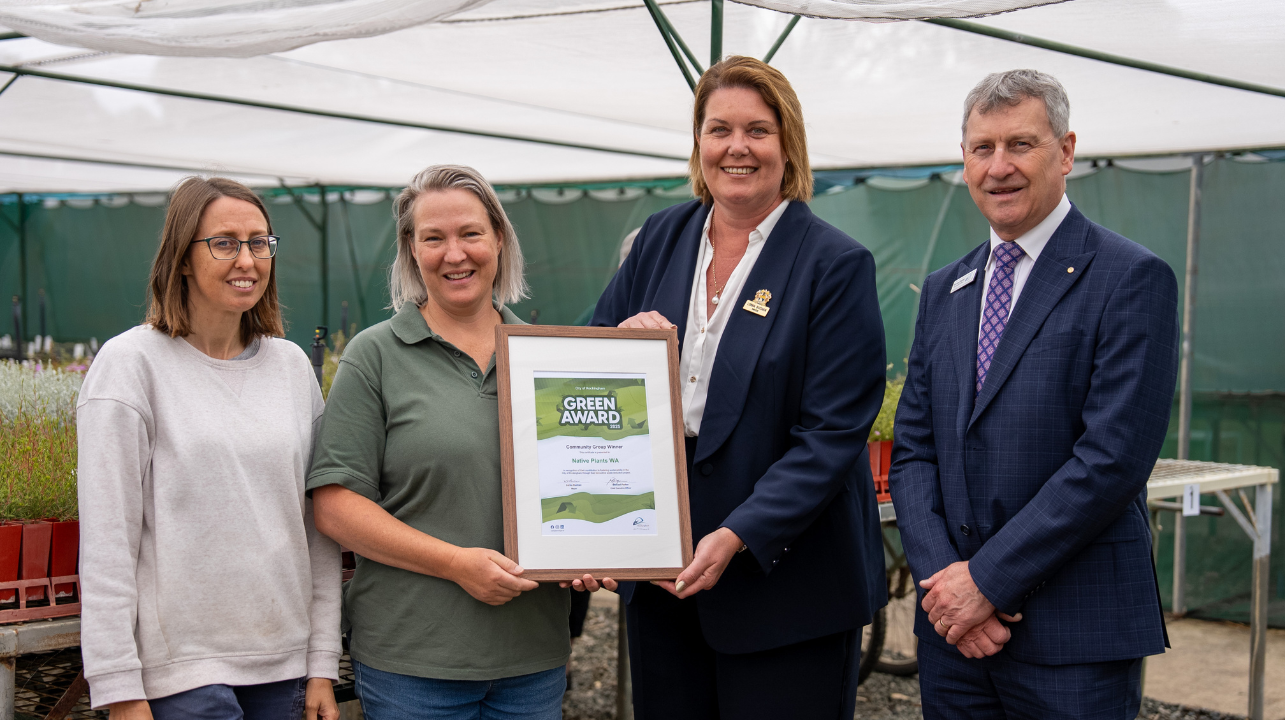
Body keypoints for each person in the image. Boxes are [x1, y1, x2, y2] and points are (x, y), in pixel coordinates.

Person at [584, 56, 888, 720]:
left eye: (757, 130)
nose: (736, 147)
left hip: (786, 583)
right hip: (662, 571)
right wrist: (620, 342)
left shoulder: (833, 264)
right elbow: (588, 359)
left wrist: (736, 534)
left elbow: (831, 435)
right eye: (718, 129)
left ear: (788, 144)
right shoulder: (660, 238)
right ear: (699, 142)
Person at [889, 69, 1179, 718]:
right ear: (964, 159)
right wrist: (946, 589)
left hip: (1072, 636)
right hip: (953, 638)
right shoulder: (944, 289)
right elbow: (911, 453)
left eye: (1020, 144)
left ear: (1066, 152)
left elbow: (1111, 461)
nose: (999, 167)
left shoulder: (1130, 278)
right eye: (981, 148)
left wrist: (985, 583)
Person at [307, 165, 570, 720]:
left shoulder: (548, 357)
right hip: (413, 664)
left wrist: (596, 551)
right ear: (412, 249)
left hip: (532, 658)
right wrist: (455, 564)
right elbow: (334, 506)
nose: (455, 254)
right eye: (434, 238)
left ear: (499, 239)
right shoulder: (375, 355)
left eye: (471, 233)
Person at [77, 177, 341, 720]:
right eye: (224, 243)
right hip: (181, 676)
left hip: (283, 668)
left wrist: (321, 662)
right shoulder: (130, 366)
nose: (247, 260)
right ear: (181, 259)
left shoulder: (291, 368)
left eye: (259, 242)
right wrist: (119, 687)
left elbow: (316, 530)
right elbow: (108, 543)